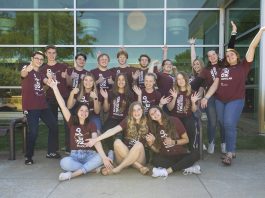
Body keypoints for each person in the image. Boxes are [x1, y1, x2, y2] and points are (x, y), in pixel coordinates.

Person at [201, 26, 265, 166]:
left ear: (237, 55)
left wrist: (261, 30)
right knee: (224, 123)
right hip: (219, 101)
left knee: (229, 123)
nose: (229, 56)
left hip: (235, 100)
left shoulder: (244, 66)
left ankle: (229, 153)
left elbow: (253, 46)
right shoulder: (222, 68)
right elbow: (215, 85)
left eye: (232, 54)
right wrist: (206, 97)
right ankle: (231, 147)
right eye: (227, 55)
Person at [47, 78, 113, 181]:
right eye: (81, 110)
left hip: (89, 155)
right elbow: (63, 106)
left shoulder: (91, 124)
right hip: (75, 156)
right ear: (77, 112)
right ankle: (92, 169)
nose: (84, 112)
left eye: (86, 111)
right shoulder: (72, 122)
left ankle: (72, 175)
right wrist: (55, 88)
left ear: (88, 113)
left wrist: (104, 157)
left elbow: (96, 141)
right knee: (64, 163)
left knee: (101, 157)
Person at [190, 21, 237, 154]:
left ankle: (223, 143)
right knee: (212, 122)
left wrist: (233, 32)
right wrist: (181, 88)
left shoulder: (224, 64)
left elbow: (231, 49)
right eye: (209, 55)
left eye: (213, 54)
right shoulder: (205, 70)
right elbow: (195, 84)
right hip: (210, 98)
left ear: (217, 55)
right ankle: (211, 142)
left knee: (223, 122)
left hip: (224, 98)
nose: (211, 56)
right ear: (208, 58)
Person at [87, 102, 150, 175]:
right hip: (123, 155)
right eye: (134, 110)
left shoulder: (148, 122)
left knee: (138, 144)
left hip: (139, 157)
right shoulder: (127, 120)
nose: (136, 112)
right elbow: (113, 130)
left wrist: (152, 141)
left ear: (142, 110)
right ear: (131, 112)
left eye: (139, 109)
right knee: (117, 142)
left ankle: (118, 169)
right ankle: (139, 167)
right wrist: (95, 139)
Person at [20, 51, 60, 165]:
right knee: (33, 132)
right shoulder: (27, 68)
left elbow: (46, 82)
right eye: (37, 58)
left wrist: (50, 79)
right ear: (32, 58)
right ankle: (28, 156)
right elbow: (23, 74)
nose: (39, 61)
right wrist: (27, 69)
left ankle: (51, 152)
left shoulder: (41, 73)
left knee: (54, 126)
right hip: (31, 107)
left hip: (43, 105)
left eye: (41, 59)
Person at [147, 106, 200, 178]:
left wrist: (173, 142)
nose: (155, 114)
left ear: (160, 110)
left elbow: (186, 140)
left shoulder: (174, 120)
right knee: (155, 160)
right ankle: (185, 166)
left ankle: (166, 171)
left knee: (195, 154)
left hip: (180, 154)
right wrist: (151, 144)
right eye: (152, 114)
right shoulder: (154, 129)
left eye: (155, 111)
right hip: (167, 157)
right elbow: (157, 150)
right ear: (151, 118)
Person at [41, 45, 69, 154]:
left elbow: (69, 83)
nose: (51, 55)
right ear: (46, 54)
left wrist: (66, 77)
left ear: (56, 54)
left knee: (68, 122)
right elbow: (43, 89)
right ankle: (53, 150)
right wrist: (49, 80)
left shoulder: (63, 66)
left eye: (53, 52)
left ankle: (69, 148)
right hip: (50, 98)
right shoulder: (42, 69)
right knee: (53, 124)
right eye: (49, 52)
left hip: (64, 97)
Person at [167, 72, 201, 150]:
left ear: (186, 80)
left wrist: (193, 102)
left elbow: (194, 110)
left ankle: (190, 148)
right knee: (175, 124)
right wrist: (174, 98)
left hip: (187, 117)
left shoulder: (192, 92)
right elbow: (169, 108)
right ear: (176, 81)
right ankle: (178, 149)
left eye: (182, 78)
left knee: (189, 123)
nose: (181, 81)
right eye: (178, 79)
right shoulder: (173, 91)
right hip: (175, 117)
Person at [100, 73, 134, 149]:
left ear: (126, 82)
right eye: (119, 79)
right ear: (116, 81)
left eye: (123, 80)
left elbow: (132, 111)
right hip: (112, 118)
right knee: (105, 132)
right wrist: (105, 98)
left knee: (128, 135)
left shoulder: (130, 94)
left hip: (124, 119)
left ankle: (124, 150)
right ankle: (111, 150)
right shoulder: (111, 93)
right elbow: (105, 110)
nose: (121, 81)